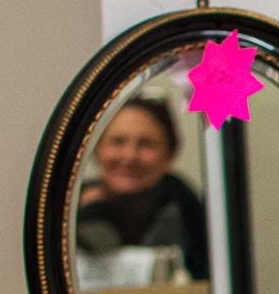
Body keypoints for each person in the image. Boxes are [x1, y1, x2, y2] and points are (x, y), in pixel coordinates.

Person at [74, 97, 210, 284]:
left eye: (146, 144)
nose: (129, 156)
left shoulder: (191, 211)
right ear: (96, 148)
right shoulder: (67, 207)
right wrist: (92, 213)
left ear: (170, 153)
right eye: (117, 142)